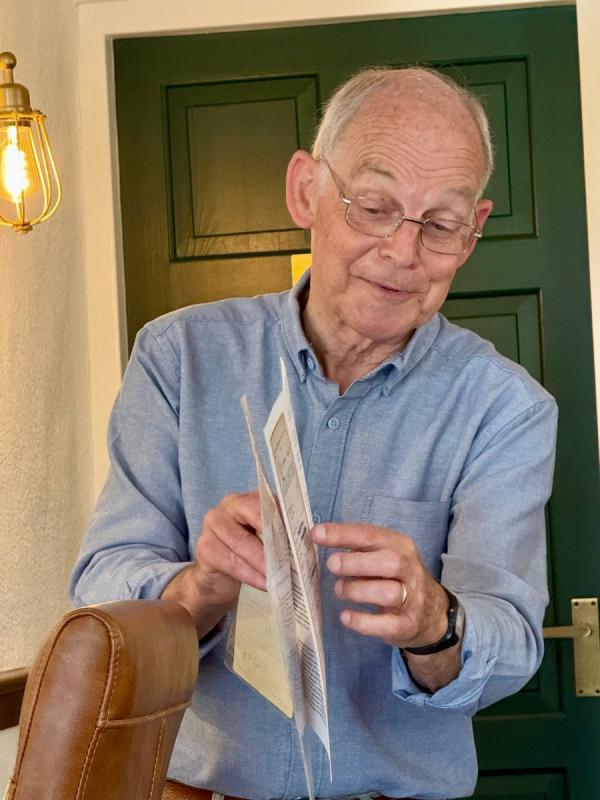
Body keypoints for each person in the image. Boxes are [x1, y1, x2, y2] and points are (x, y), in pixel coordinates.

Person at [70, 66, 558, 800]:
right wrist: (201, 586)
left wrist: (434, 620)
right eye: (375, 207)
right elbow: (101, 592)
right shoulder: (179, 357)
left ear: (474, 230)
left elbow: (511, 645)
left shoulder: (507, 408)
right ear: (306, 190)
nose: (403, 252)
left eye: (440, 224)